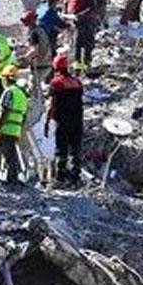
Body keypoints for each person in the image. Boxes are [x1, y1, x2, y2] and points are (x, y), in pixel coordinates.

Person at [45, 54, 84, 186]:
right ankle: (75, 178)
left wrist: (47, 121)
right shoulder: (77, 83)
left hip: (63, 122)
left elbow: (53, 104)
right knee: (75, 150)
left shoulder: (56, 83)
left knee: (61, 150)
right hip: (78, 122)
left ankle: (60, 178)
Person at [0, 65, 30, 185]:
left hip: (6, 127)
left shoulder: (9, 92)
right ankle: (11, 177)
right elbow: (24, 115)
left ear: (6, 78)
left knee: (9, 155)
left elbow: (4, 110)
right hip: (16, 129)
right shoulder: (22, 94)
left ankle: (12, 180)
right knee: (11, 154)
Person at [66, 0, 101, 69]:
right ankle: (77, 68)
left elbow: (92, 7)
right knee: (75, 45)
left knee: (86, 45)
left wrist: (80, 15)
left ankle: (85, 66)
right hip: (74, 23)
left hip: (86, 23)